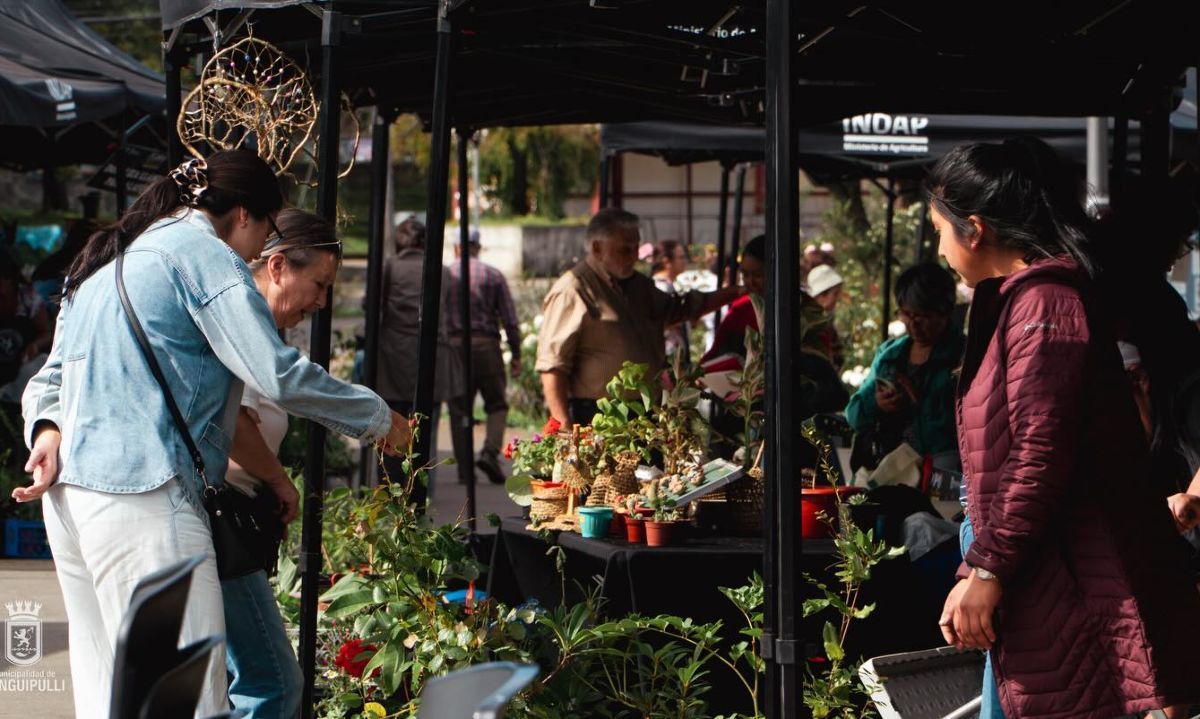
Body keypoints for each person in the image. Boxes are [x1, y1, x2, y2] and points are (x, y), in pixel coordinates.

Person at [15, 150, 412, 718]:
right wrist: (377, 418)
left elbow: (48, 380)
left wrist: (48, 427)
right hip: (144, 498)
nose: (257, 252)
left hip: (70, 501)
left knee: (109, 700)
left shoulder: (109, 255)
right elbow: (276, 373)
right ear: (245, 213)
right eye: (266, 231)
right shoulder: (203, 253)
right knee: (188, 703)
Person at [930, 138, 1200, 719]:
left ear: (974, 230)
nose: (939, 249)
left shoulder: (1046, 305)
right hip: (1039, 562)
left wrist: (987, 568)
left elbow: (1039, 453)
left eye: (939, 232)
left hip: (1059, 567)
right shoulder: (1024, 302)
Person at [217, 208, 348, 719]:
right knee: (272, 680)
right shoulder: (243, 327)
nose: (322, 301)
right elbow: (234, 426)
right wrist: (280, 481)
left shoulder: (260, 329)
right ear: (276, 267)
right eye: (319, 284)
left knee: (239, 680)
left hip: (227, 522)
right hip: (221, 521)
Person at [536, 208, 743, 426]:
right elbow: (552, 366)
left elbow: (679, 309)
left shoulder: (637, 285)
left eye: (636, 248)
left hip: (646, 411)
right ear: (597, 248)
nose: (634, 257)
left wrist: (737, 292)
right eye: (625, 250)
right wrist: (563, 426)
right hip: (598, 415)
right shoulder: (573, 290)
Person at [845, 263, 964, 474]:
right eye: (906, 314)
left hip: (942, 471)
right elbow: (853, 414)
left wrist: (920, 404)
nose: (913, 323)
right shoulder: (890, 354)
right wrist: (877, 403)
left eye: (922, 315)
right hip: (891, 469)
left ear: (945, 311)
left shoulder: (964, 355)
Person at [375, 216, 464, 497]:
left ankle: (391, 489)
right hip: (431, 359)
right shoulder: (443, 271)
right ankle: (421, 492)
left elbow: (372, 307)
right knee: (426, 429)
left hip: (392, 358)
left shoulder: (389, 267)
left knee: (389, 425)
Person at [446, 229, 521, 484]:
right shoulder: (493, 275)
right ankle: (490, 451)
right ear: (477, 247)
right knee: (496, 404)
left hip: (455, 349)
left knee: (459, 410)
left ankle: (464, 469)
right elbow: (509, 318)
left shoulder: (446, 275)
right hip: (487, 347)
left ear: (456, 248)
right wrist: (516, 353)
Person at [650, 239, 691, 361]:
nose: (685, 261)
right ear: (666, 261)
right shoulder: (659, 288)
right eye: (681, 257)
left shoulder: (667, 286)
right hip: (665, 356)